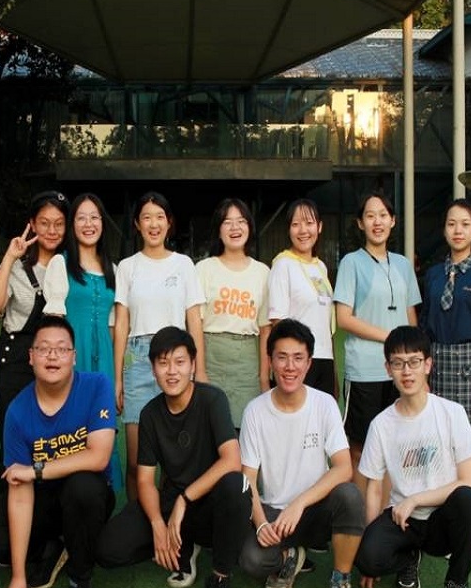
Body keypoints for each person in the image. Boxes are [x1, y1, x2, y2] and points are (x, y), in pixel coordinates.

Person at [96, 327, 252, 588]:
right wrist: (158, 524)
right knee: (109, 550)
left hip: (208, 506)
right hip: (170, 508)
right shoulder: (150, 414)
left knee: (236, 486)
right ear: (153, 368)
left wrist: (184, 499)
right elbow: (144, 480)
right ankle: (182, 548)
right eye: (163, 363)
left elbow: (232, 460)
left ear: (193, 364)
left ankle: (219, 580)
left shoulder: (212, 399)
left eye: (180, 362)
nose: (171, 371)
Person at [0, 316, 117, 588]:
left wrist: (35, 469)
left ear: (74, 357)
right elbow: (20, 495)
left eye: (61, 349)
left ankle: (79, 581)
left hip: (87, 495)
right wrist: (18, 575)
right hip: (41, 501)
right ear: (31, 356)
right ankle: (51, 547)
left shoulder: (96, 385)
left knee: (84, 488)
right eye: (44, 348)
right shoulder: (18, 411)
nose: (52, 356)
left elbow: (99, 457)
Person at [239, 318, 367, 588]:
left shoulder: (324, 404)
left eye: (298, 358)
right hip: (275, 513)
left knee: (349, 495)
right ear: (270, 361)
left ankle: (341, 583)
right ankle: (289, 556)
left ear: (309, 363)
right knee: (251, 560)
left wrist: (299, 503)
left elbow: (343, 467)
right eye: (282, 357)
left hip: (314, 511)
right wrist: (261, 523)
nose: (290, 367)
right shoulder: (255, 411)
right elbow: (248, 479)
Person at [354, 326, 471, 588]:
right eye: (398, 363)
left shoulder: (451, 412)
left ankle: (457, 583)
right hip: (402, 521)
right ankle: (409, 557)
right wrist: (371, 547)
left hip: (441, 520)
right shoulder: (381, 424)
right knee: (368, 558)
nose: (406, 371)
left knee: (468, 500)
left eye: (414, 362)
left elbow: (468, 482)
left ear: (428, 364)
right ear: (388, 368)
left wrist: (415, 499)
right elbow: (374, 488)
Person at [113, 191, 205, 501]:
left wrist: (199, 371)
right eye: (146, 218)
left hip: (176, 360)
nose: (153, 224)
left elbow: (194, 321)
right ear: (137, 225)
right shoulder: (127, 267)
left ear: (169, 223)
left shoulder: (184, 264)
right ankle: (137, 518)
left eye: (159, 217)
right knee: (137, 459)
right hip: (138, 359)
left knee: (175, 457)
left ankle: (170, 519)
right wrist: (118, 379)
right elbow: (122, 324)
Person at [333, 192, 421, 491]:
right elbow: (344, 318)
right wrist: (390, 338)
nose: (377, 222)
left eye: (383, 215)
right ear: (361, 223)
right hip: (364, 371)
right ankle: (360, 516)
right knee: (361, 447)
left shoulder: (403, 265)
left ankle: (389, 512)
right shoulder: (351, 263)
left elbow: (411, 317)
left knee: (395, 445)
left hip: (400, 372)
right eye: (370, 216)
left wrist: (413, 359)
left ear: (393, 221)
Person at [0, 191, 69, 481]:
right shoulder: (19, 268)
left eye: (59, 223)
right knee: (15, 439)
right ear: (32, 224)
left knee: (54, 440)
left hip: (55, 360)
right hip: (17, 361)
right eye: (44, 223)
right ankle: (10, 500)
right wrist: (10, 257)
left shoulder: (72, 267)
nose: (52, 230)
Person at [421, 199, 471, 502]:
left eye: (465, 224)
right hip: (438, 366)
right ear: (444, 230)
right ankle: (443, 515)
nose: (458, 230)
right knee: (440, 446)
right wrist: (424, 375)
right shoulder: (433, 275)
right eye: (452, 224)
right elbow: (425, 330)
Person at [43, 192, 121, 490]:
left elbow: (113, 325)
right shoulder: (60, 264)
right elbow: (54, 324)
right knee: (71, 429)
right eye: (81, 218)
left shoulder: (113, 268)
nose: (89, 224)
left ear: (103, 222)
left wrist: (117, 379)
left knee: (102, 428)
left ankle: (103, 499)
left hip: (105, 362)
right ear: (72, 225)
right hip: (72, 359)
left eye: (94, 217)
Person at [195, 198, 271, 429]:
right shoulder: (204, 269)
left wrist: (263, 378)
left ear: (250, 227)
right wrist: (200, 371)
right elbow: (195, 324)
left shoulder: (263, 272)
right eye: (227, 222)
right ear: (218, 230)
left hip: (247, 363)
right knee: (210, 430)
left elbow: (265, 329)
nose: (235, 228)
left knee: (245, 430)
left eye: (241, 221)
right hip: (211, 359)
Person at [267, 199, 336, 398]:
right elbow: (278, 323)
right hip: (298, 362)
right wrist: (291, 362)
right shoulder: (282, 265)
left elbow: (326, 324)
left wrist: (333, 371)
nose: (303, 230)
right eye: (296, 224)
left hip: (324, 359)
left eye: (309, 223)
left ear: (319, 227)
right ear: (288, 230)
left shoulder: (320, 267)